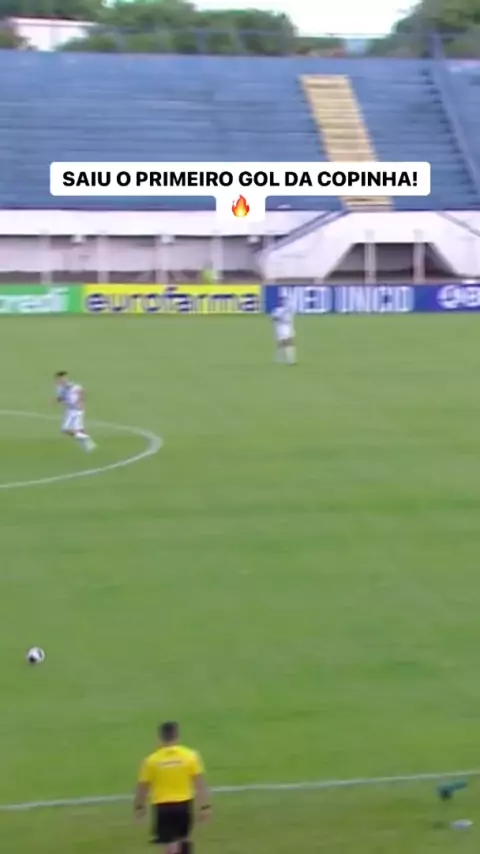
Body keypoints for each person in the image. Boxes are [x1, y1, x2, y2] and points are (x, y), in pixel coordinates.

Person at [134, 721, 211, 853]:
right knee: (184, 838)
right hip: (184, 804)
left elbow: (143, 787)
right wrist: (205, 807)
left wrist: (139, 807)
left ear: (160, 737)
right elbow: (200, 784)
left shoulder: (151, 760)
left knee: (170, 843)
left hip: (163, 806)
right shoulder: (190, 756)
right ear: (177, 736)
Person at [54, 371, 96, 452]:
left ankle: (85, 438)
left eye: (62, 378)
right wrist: (57, 400)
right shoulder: (59, 388)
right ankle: (89, 445)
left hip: (75, 410)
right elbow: (61, 398)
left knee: (65, 429)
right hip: (70, 410)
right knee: (80, 429)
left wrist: (81, 401)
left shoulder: (71, 386)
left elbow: (81, 391)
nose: (60, 380)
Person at [272, 294, 296, 364]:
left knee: (282, 343)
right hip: (281, 327)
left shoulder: (289, 309)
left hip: (289, 327)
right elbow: (274, 318)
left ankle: (279, 358)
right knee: (288, 343)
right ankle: (290, 360)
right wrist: (280, 317)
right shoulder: (278, 310)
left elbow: (292, 309)